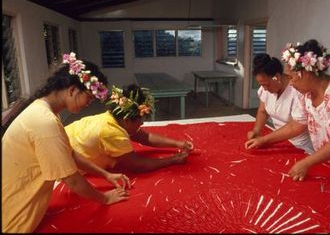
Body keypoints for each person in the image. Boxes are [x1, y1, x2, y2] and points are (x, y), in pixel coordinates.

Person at [2, 53, 130, 233]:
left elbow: (70, 154)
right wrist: (105, 199)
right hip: (12, 222)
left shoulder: (43, 111)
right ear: (72, 90)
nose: (88, 104)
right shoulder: (44, 122)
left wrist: (106, 175)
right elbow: (73, 180)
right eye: (89, 98)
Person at [245, 39, 330, 187]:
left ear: (306, 73)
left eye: (291, 77)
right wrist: (263, 140)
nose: (290, 83)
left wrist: (307, 162)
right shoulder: (306, 95)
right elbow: (295, 125)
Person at [64, 84, 194, 173]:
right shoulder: (112, 132)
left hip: (65, 141)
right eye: (140, 121)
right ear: (127, 120)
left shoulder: (113, 118)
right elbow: (137, 165)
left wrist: (178, 143)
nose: (141, 125)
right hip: (63, 161)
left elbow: (144, 137)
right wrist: (172, 160)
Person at [245, 53, 313, 153]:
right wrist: (256, 130)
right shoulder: (266, 88)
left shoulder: (297, 91)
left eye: (266, 84)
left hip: (299, 145)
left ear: (276, 77)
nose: (264, 88)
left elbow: (297, 125)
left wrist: (264, 140)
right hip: (277, 139)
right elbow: (263, 111)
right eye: (261, 85)